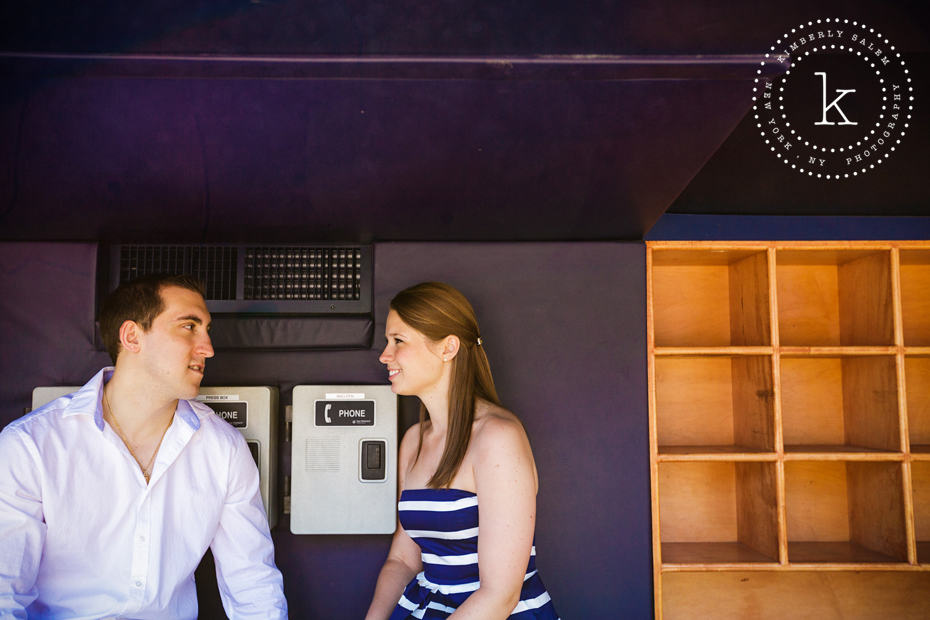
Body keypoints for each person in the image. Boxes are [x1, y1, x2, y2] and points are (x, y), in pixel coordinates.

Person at [0, 274, 288, 619]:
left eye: (207, 330)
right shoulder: (30, 445)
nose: (208, 348)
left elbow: (253, 582)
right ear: (132, 336)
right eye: (189, 327)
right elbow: (5, 592)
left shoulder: (223, 447)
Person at [365, 282, 559, 620]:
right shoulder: (413, 441)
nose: (385, 355)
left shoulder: (498, 438)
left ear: (448, 348)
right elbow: (403, 559)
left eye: (398, 341)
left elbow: (500, 595)